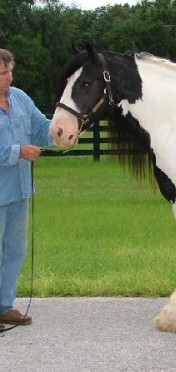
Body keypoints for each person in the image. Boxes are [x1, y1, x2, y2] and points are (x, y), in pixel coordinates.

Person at [0, 48, 53, 329]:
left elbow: (41, 127)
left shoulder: (20, 98)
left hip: (19, 192)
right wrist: (18, 151)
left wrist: (62, 131)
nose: (10, 77)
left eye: (10, 71)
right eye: (3, 73)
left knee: (16, 250)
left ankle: (4, 306)